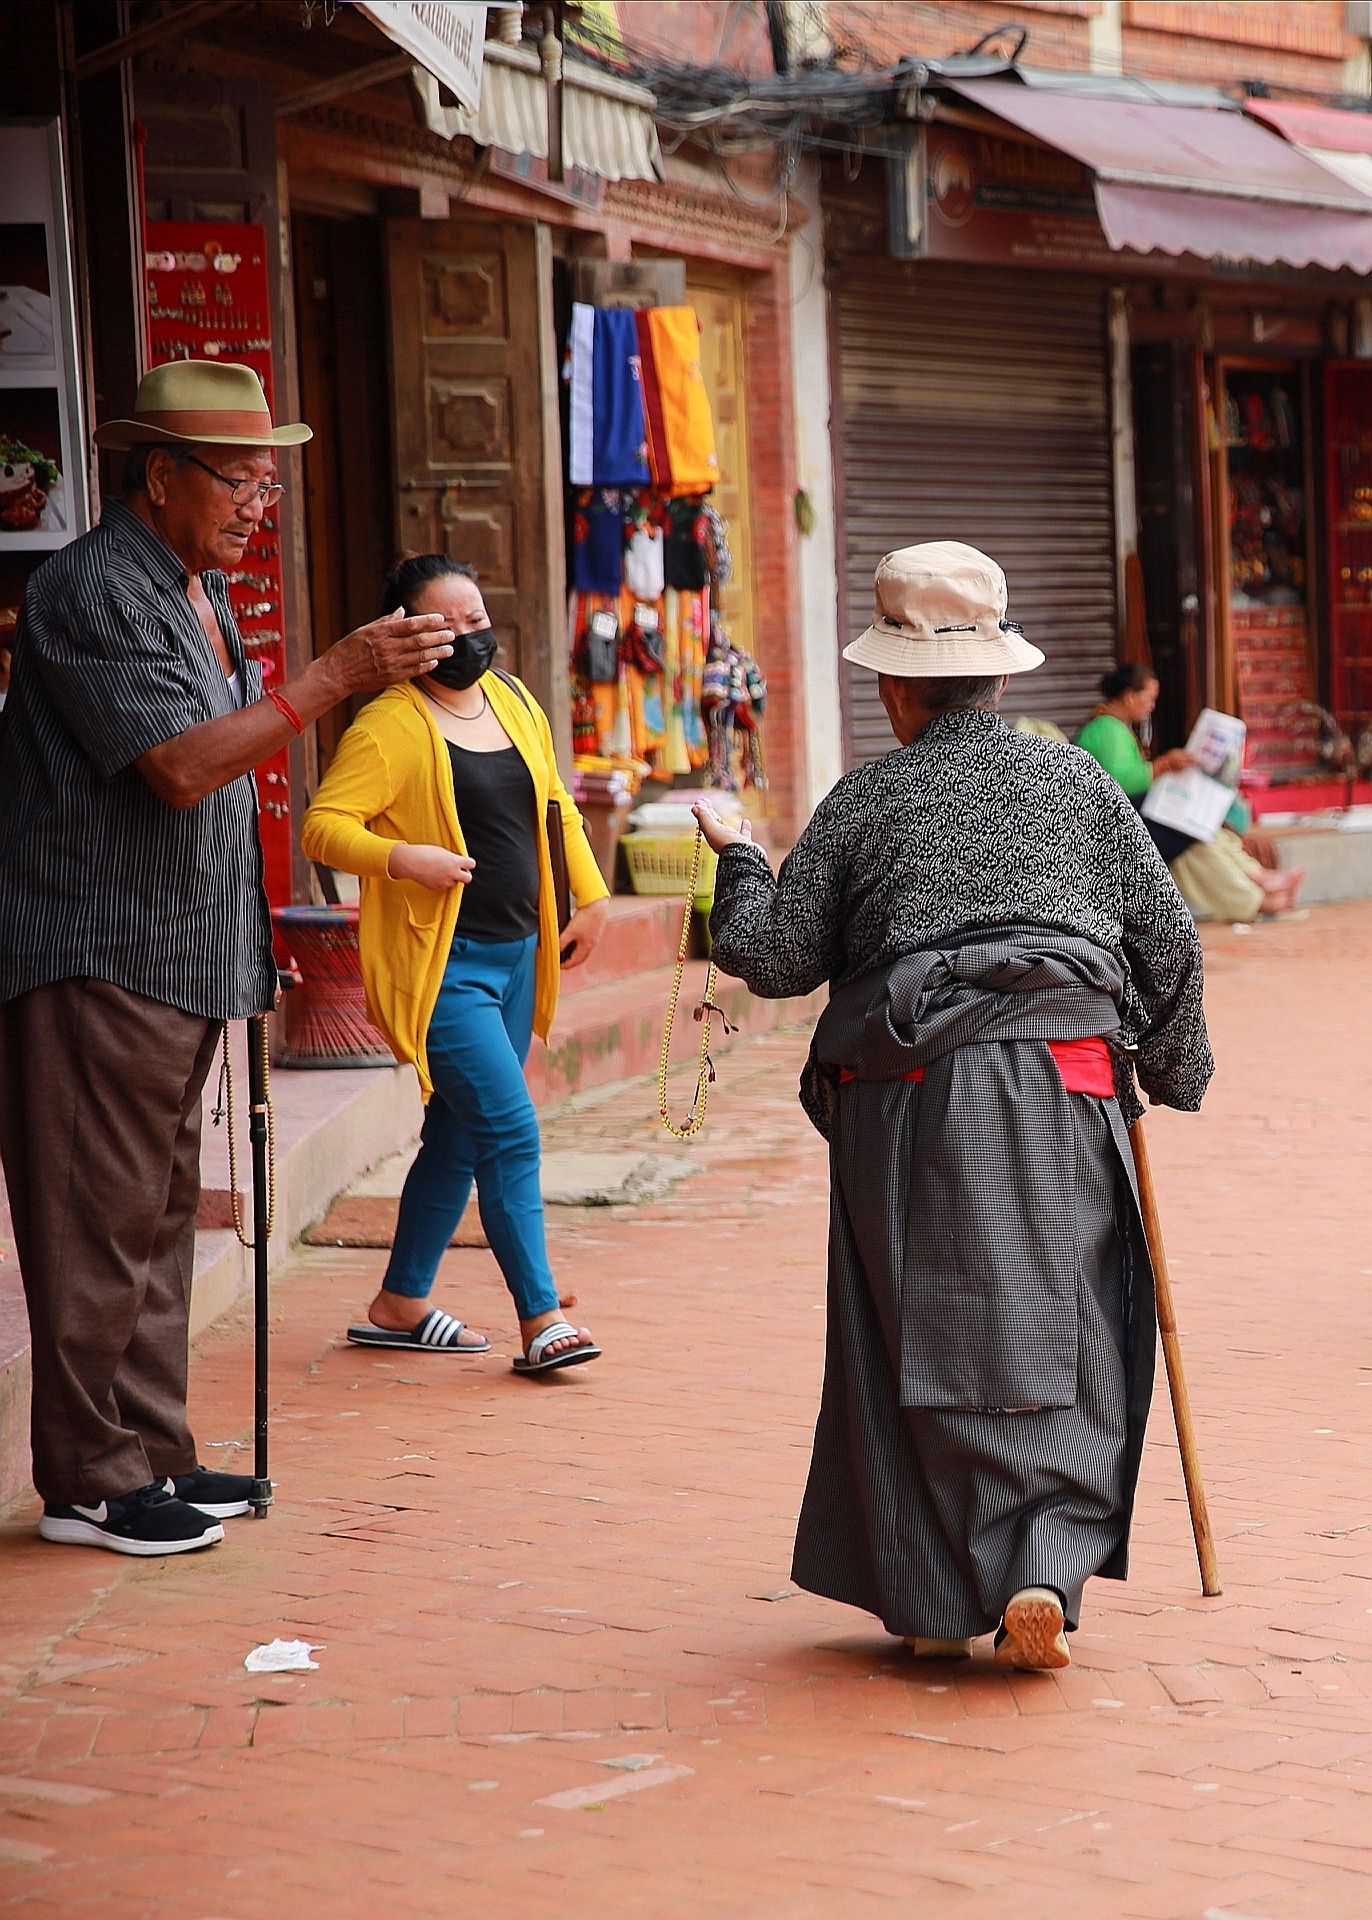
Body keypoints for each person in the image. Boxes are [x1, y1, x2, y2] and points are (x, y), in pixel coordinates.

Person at [693, 541, 1213, 1671]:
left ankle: (933, 1596)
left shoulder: (868, 798)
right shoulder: (1079, 780)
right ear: (999, 676)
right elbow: (1168, 942)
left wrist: (735, 857)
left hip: (911, 1096)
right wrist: (1175, 1074)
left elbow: (774, 956)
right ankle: (1039, 1564)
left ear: (890, 684)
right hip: (1069, 1085)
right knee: (1069, 1319)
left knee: (912, 1327)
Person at [0, 361, 461, 1555]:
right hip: (99, 951)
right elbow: (181, 766)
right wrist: (333, 681)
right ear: (161, 476)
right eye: (239, 479)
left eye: (269, 479)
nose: (262, 501)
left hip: (178, 956)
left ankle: (150, 1451)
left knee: (156, 1224)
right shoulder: (94, 587)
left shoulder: (192, 591)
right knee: (92, 1224)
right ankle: (90, 1479)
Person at [301, 554, 609, 1373]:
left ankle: (400, 1303)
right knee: (509, 1129)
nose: (471, 636)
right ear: (406, 635)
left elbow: (557, 806)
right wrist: (404, 858)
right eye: (448, 625)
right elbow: (324, 827)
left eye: (477, 619)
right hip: (446, 969)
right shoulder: (390, 724)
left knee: (460, 1135)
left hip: (518, 957)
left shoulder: (512, 702)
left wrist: (592, 898)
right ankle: (542, 1321)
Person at [1077, 663, 1303, 920]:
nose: (1152, 706)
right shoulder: (1107, 730)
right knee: (1189, 838)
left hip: (1130, 820)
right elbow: (1120, 782)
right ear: (1130, 696)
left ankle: (1258, 879)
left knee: (1201, 829)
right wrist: (1164, 765)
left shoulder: (1114, 728)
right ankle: (1257, 897)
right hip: (1111, 829)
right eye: (1149, 698)